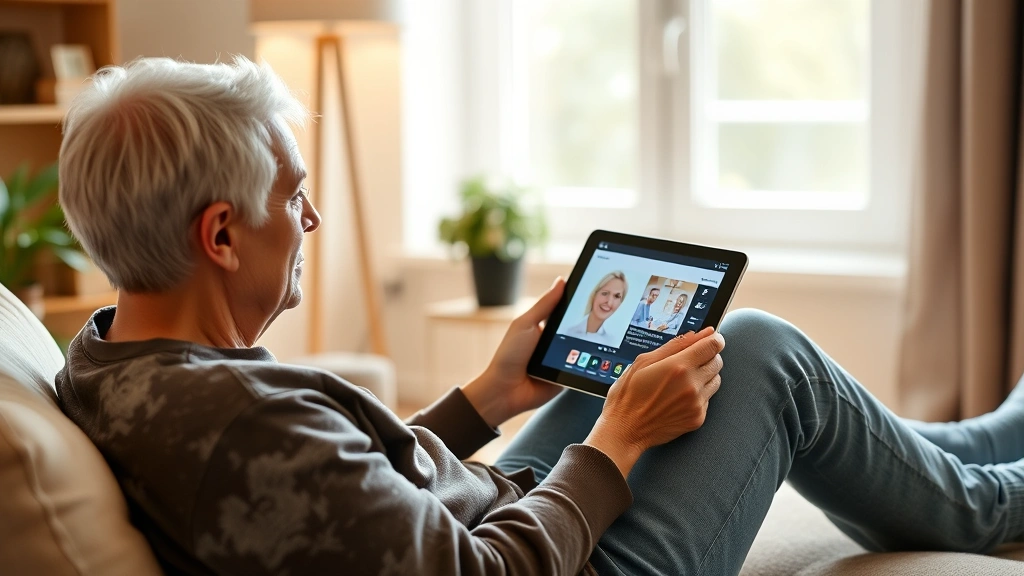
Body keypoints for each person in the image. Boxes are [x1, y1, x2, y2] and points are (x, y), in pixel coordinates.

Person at [54, 57, 1024, 576]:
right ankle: (983, 503)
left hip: (500, 500)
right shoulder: (232, 425)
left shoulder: (111, 362)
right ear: (220, 235)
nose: (310, 218)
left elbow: (325, 492)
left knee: (669, 366)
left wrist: (488, 396)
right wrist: (612, 443)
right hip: (557, 562)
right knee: (758, 352)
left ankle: (972, 445)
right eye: (293, 196)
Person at [562, 271, 628, 347]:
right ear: (594, 295)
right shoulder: (566, 332)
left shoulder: (612, 342)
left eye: (616, 296)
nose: (609, 302)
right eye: (605, 293)